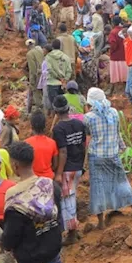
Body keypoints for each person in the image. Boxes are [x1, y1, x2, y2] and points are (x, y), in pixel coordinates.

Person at [0, 142, 65, 263]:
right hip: (54, 256)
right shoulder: (50, 185)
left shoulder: (15, 197)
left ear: (15, 165)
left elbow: (10, 239)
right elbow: (59, 219)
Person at [84, 89, 132, 228]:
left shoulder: (88, 117)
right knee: (122, 182)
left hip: (97, 156)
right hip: (113, 154)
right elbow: (117, 132)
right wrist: (123, 147)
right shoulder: (113, 113)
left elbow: (88, 137)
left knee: (98, 188)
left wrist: (84, 159)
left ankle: (101, 223)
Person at [50, 98, 86, 245]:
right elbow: (84, 144)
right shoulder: (79, 124)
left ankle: (71, 233)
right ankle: (73, 231)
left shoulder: (58, 129)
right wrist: (83, 165)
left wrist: (58, 172)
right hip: (77, 166)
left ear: (56, 111)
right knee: (71, 197)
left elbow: (63, 151)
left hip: (67, 169)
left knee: (67, 200)